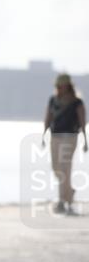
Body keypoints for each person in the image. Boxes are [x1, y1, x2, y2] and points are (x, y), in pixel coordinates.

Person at [42, 74, 87, 214]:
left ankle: (63, 201)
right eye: (57, 85)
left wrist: (86, 140)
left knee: (64, 168)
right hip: (55, 136)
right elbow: (48, 118)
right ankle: (69, 192)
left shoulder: (77, 102)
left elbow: (82, 121)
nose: (59, 88)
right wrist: (43, 134)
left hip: (70, 137)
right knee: (56, 167)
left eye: (61, 85)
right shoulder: (53, 100)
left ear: (68, 86)